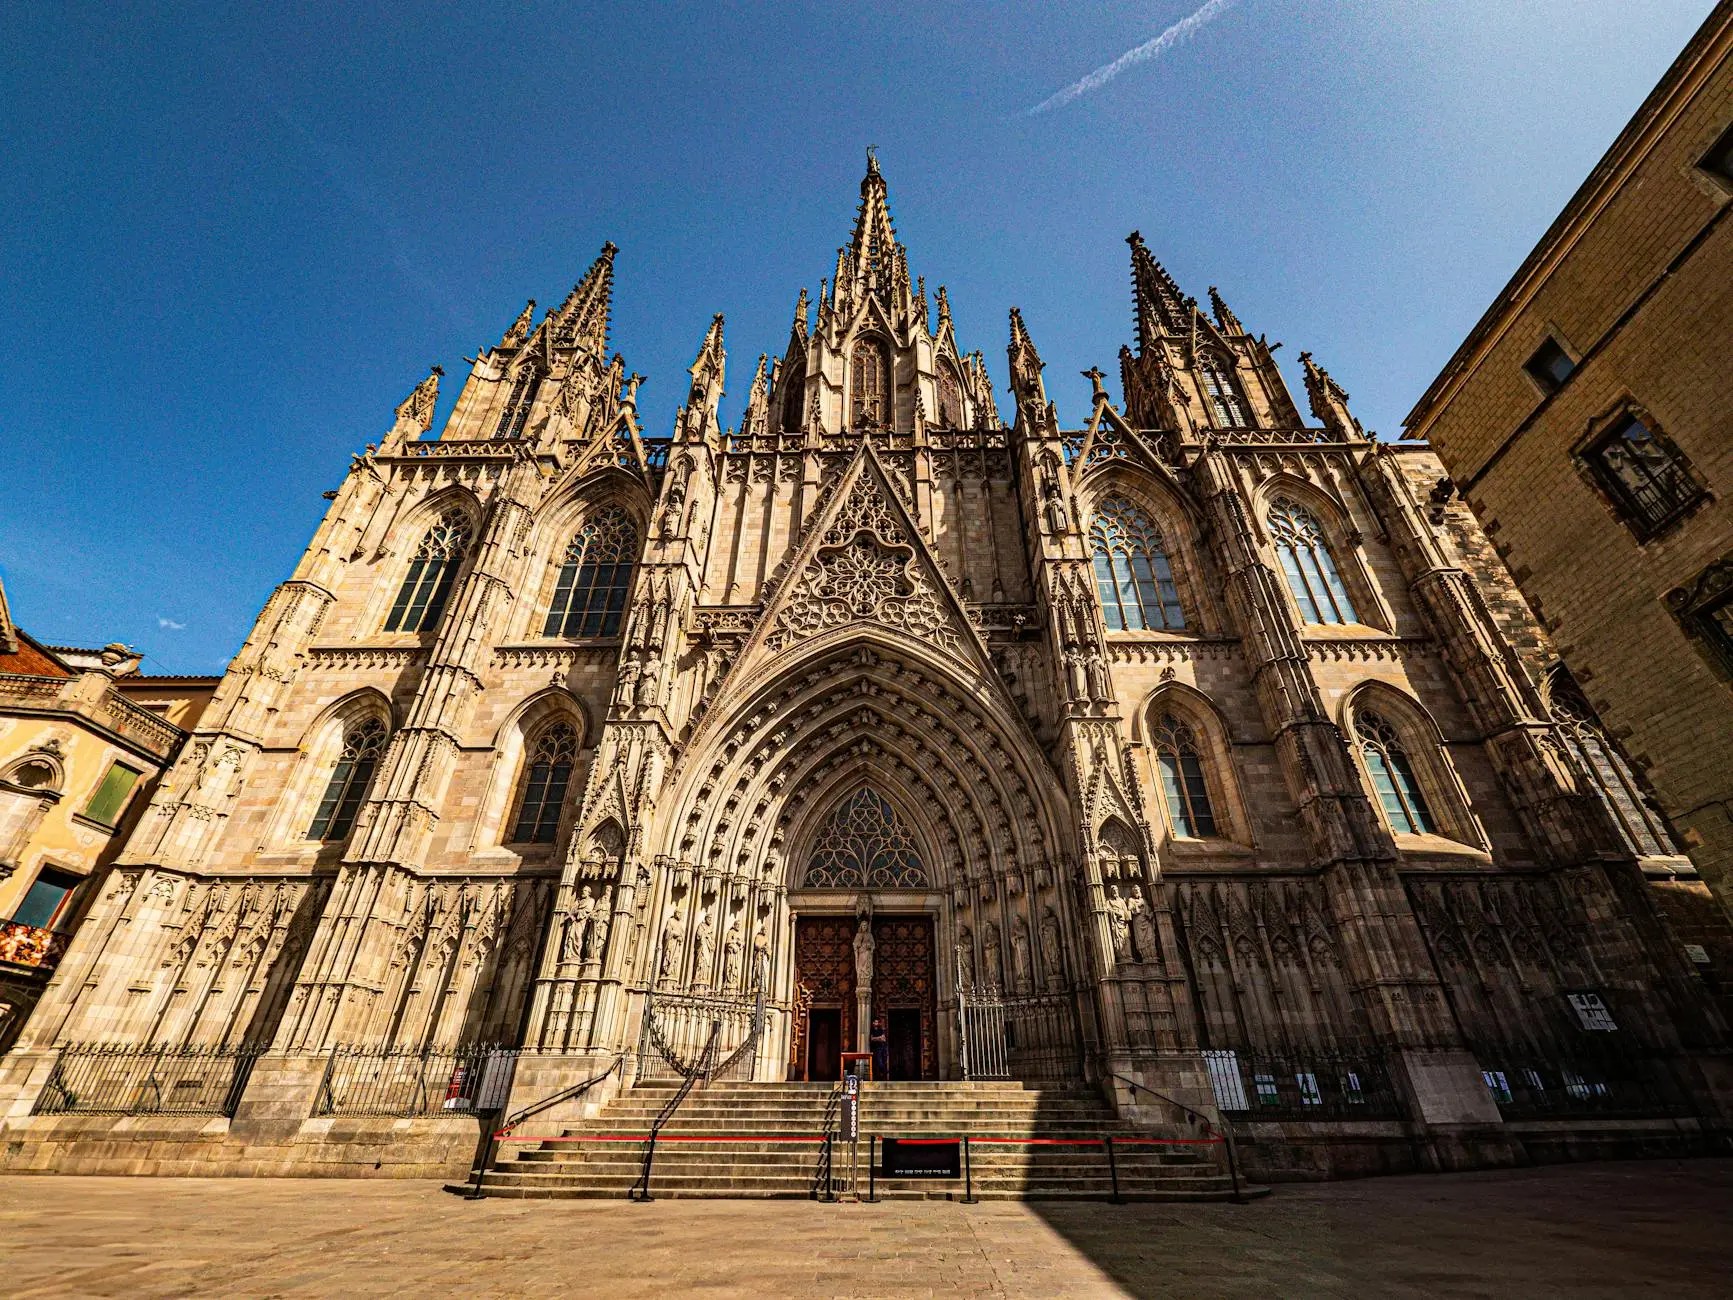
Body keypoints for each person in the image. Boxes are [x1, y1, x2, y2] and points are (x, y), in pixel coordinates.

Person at [870, 1015, 889, 1081]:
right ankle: (879, 1074)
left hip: (882, 1047)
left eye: (877, 1022)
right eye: (875, 1022)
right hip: (876, 1048)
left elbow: (884, 1039)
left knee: (883, 1061)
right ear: (873, 1023)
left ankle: (883, 1075)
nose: (877, 1023)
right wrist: (879, 1038)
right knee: (879, 1062)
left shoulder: (880, 1030)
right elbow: (871, 1039)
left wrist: (877, 1038)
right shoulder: (872, 1030)